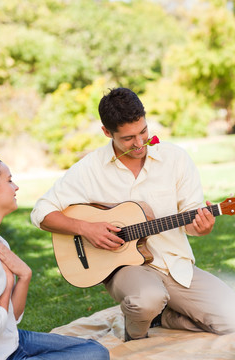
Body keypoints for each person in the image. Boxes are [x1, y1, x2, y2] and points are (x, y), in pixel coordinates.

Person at [31, 87, 235, 341]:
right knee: (148, 298)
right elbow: (41, 212)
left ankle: (164, 318)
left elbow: (191, 221)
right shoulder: (89, 169)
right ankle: (140, 324)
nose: (139, 144)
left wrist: (202, 227)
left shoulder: (176, 159)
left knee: (231, 318)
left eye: (143, 132)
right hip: (124, 268)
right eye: (128, 138)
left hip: (175, 264)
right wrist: (87, 229)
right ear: (107, 132)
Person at [0, 157, 110, 360]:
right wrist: (5, 290)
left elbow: (12, 319)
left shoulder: (0, 243)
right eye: (9, 180)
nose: (16, 187)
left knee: (96, 350)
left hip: (11, 341)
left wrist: (25, 275)